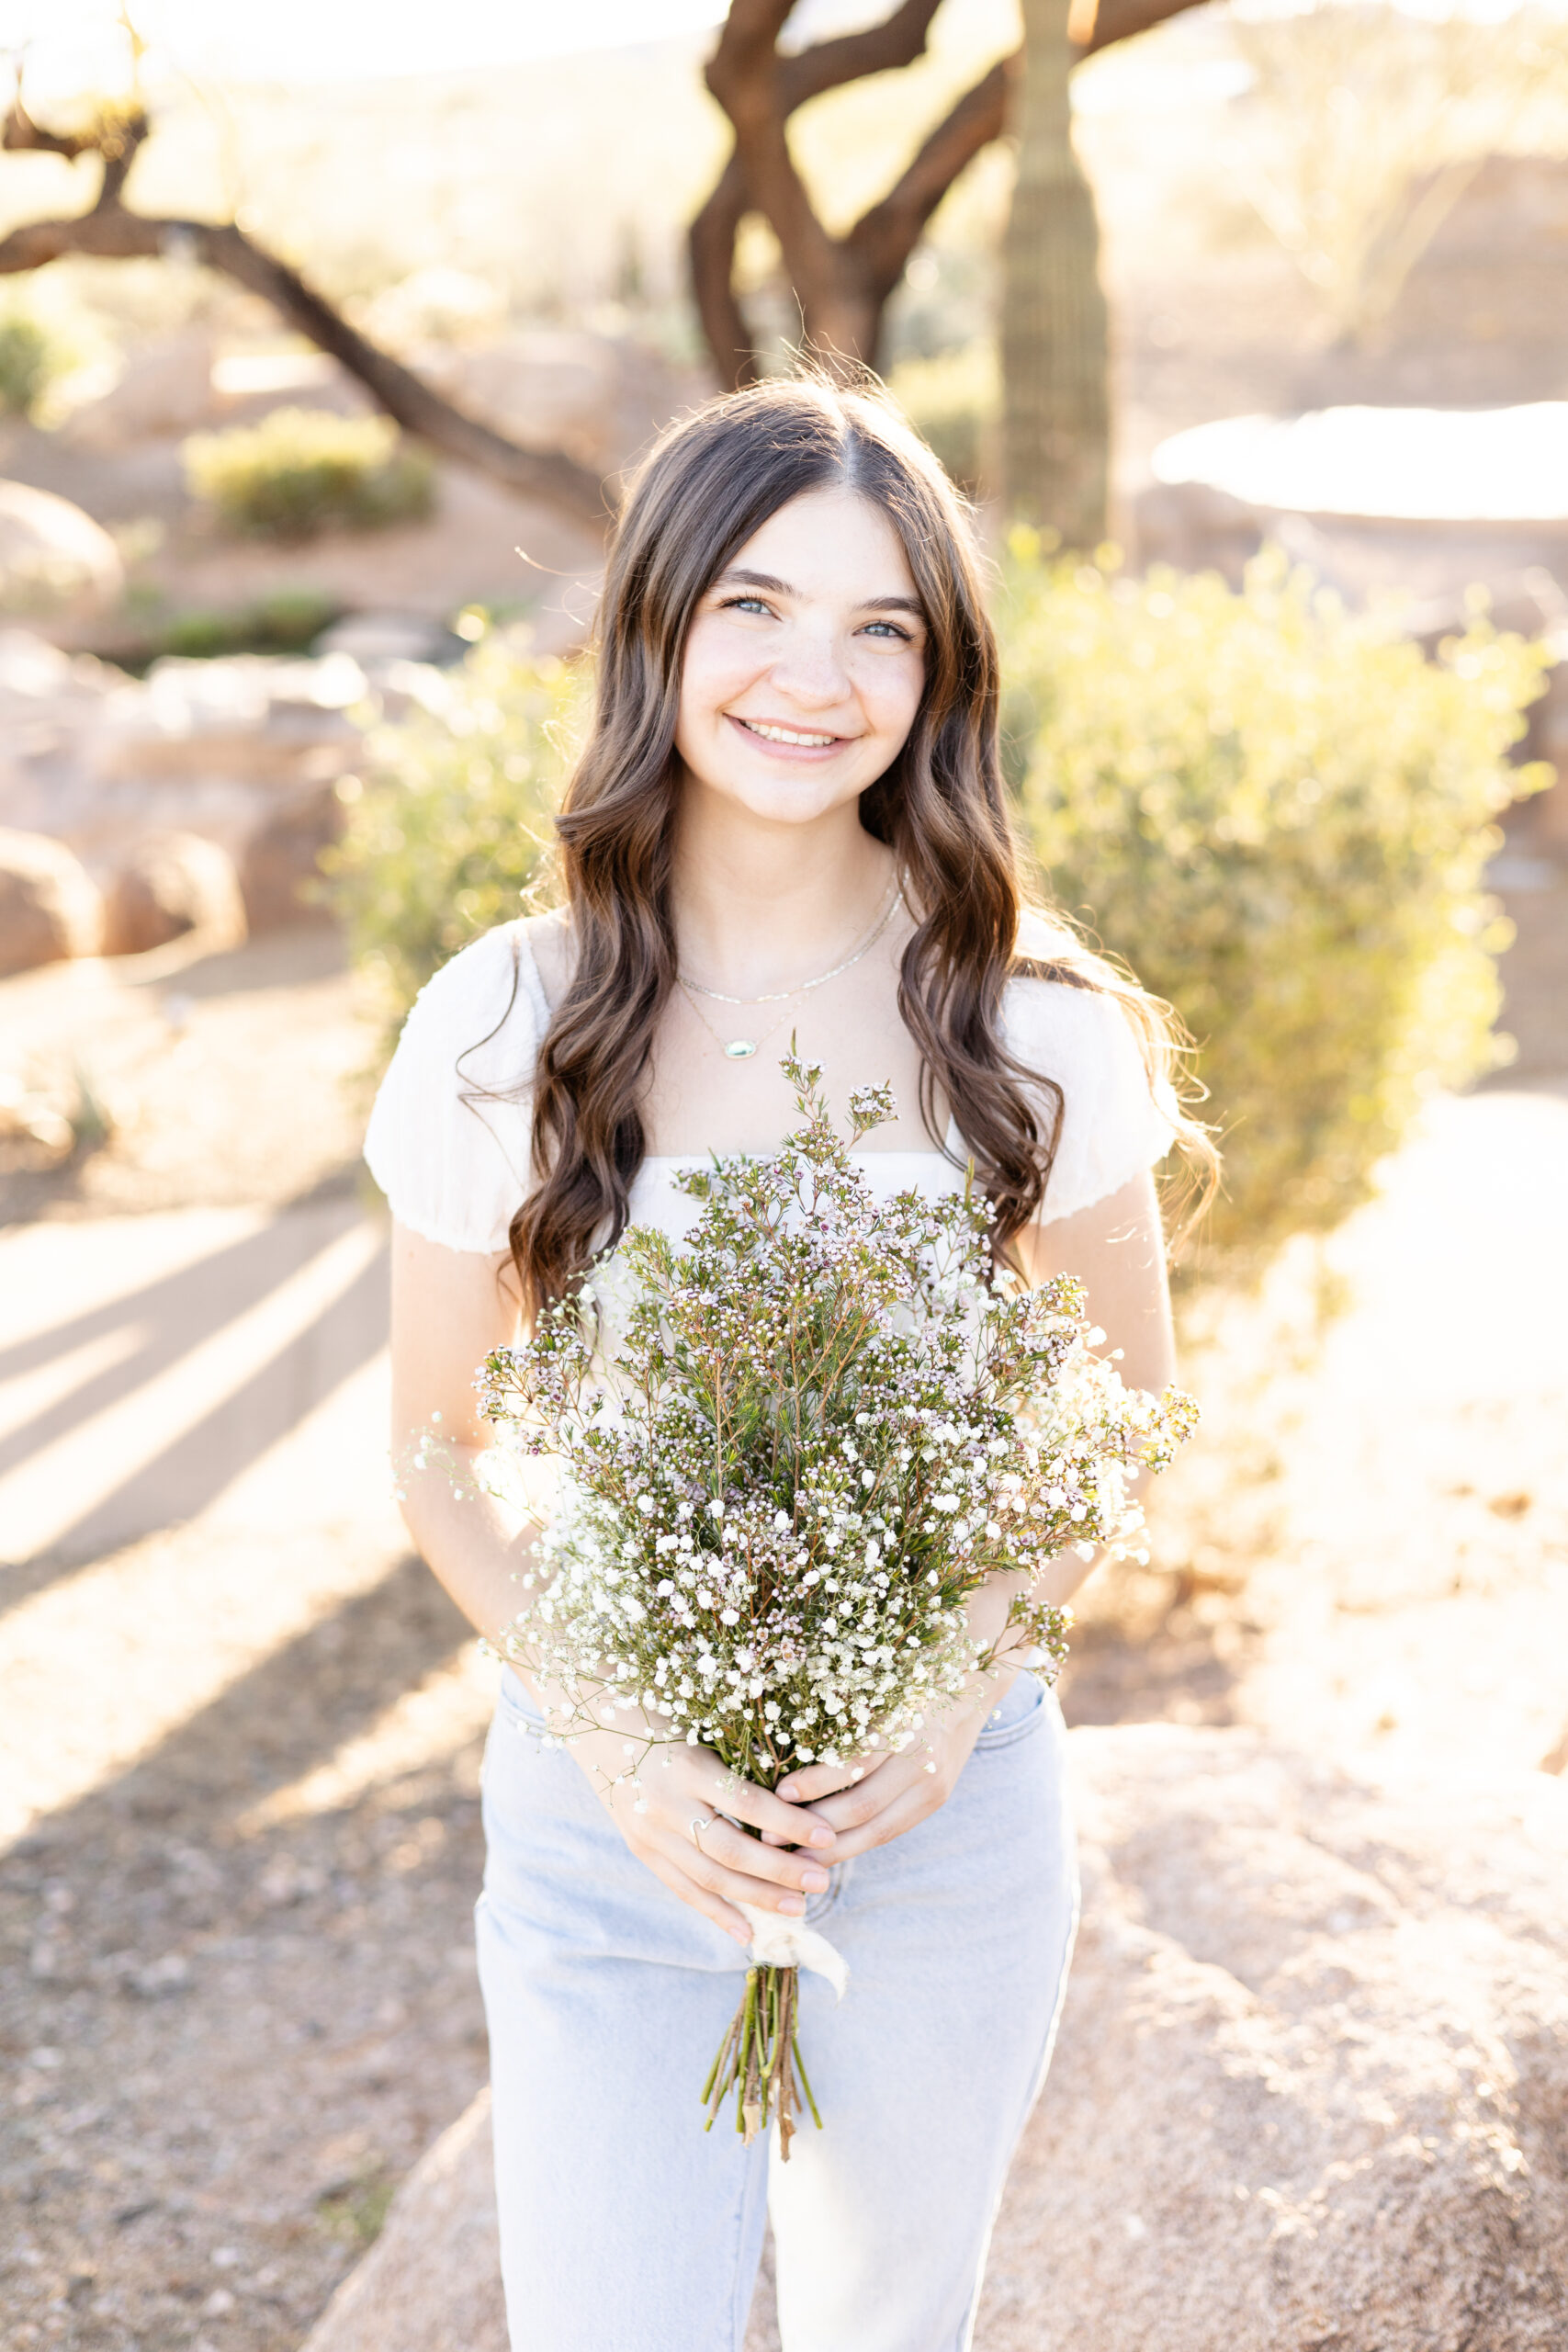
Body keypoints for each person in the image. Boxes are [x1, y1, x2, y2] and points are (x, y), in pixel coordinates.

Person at [366, 377, 1206, 2352]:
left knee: (885, 2325)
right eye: (753, 603)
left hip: (938, 1812)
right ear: (655, 623)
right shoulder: (506, 1018)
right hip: (608, 1810)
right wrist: (623, 1741)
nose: (809, 675)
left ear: (939, 675)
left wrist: (948, 1683)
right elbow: (431, 1450)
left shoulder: (1033, 1024)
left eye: (877, 627)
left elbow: (1123, 1416)